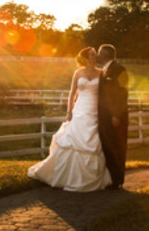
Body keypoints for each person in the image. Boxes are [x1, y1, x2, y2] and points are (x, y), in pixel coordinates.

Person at [28, 47, 112, 192]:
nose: (95, 57)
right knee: (73, 141)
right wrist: (69, 112)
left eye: (94, 55)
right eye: (92, 55)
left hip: (95, 111)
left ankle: (90, 178)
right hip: (80, 110)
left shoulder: (101, 73)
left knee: (93, 141)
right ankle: (65, 176)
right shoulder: (78, 73)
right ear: (85, 58)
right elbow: (72, 94)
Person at [96, 44, 129, 189]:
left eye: (99, 53)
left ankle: (117, 181)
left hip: (115, 117)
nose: (98, 55)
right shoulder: (104, 70)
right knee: (108, 148)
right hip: (104, 117)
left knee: (117, 148)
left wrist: (116, 115)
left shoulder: (119, 69)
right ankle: (110, 179)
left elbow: (122, 94)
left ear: (106, 54)